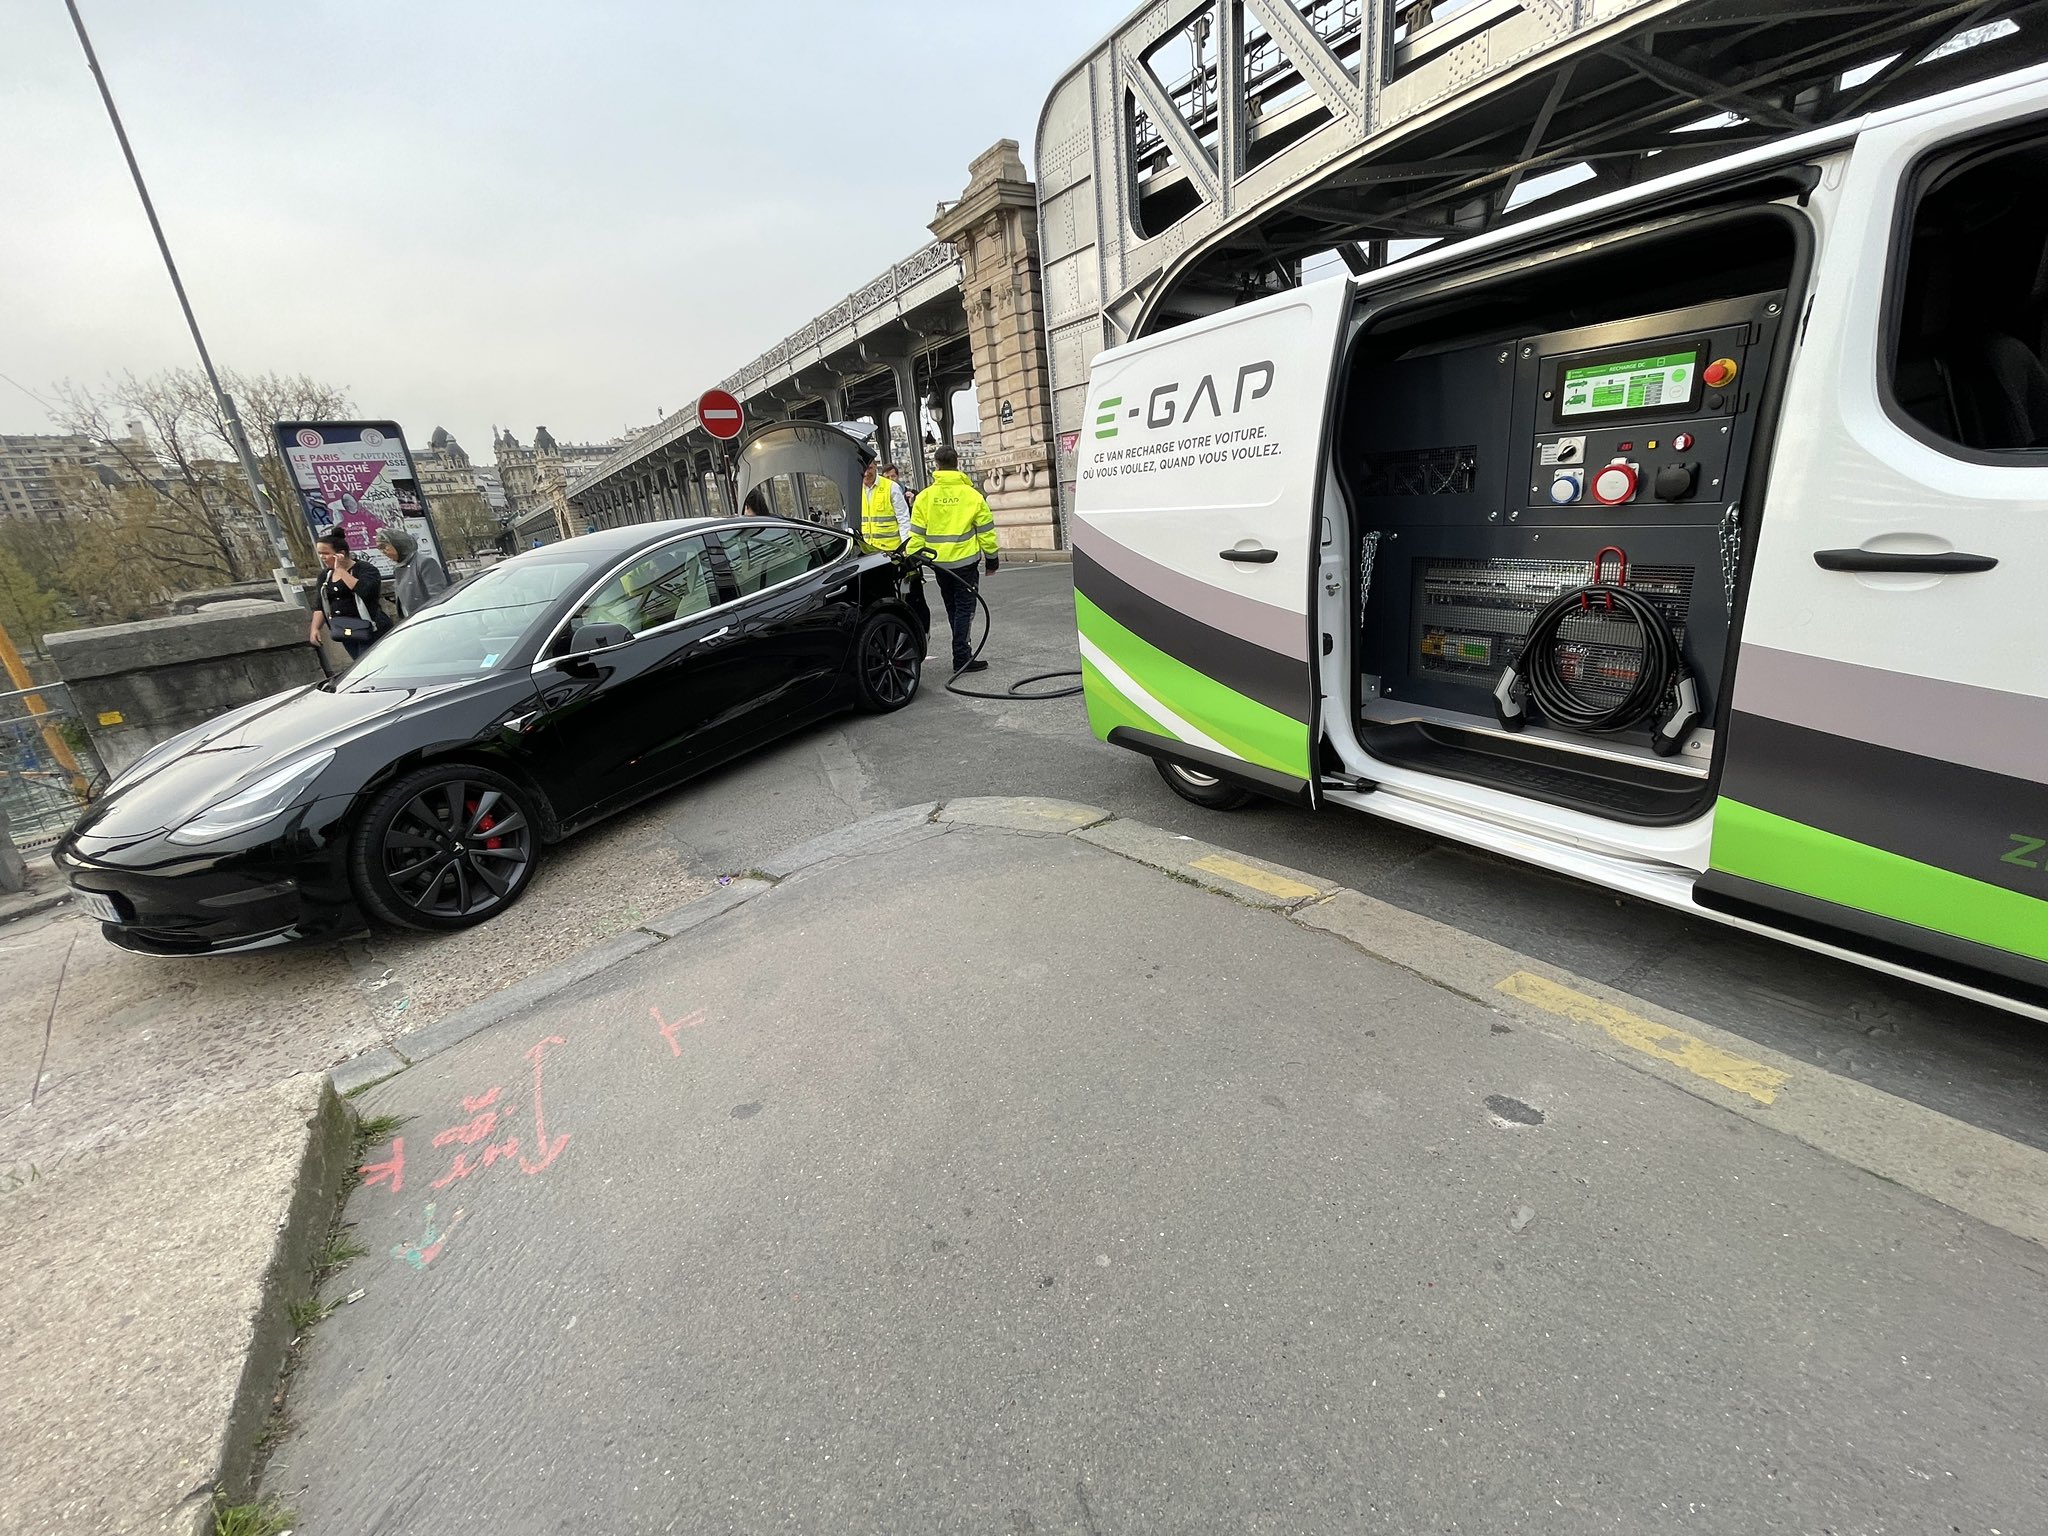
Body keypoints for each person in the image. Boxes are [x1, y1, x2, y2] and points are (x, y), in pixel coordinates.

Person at [906, 446, 998, 673]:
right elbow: (986, 531)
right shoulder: (972, 496)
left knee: (953, 608)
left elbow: (916, 534)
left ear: (935, 466)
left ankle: (962, 653)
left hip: (939, 564)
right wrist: (992, 559)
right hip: (965, 563)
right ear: (957, 464)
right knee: (965, 610)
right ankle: (961, 657)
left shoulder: (925, 497)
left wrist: (911, 559)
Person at [861, 455, 930, 638]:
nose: (867, 473)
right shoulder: (857, 489)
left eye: (870, 468)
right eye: (864, 469)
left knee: (907, 596)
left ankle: (919, 633)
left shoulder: (890, 487)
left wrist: (906, 550)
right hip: (870, 555)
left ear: (875, 466)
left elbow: (903, 520)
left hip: (893, 554)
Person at [308, 525, 393, 662]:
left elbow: (364, 591)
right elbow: (320, 604)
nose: (323, 558)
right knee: (359, 664)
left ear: (341, 553)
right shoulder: (325, 575)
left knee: (371, 663)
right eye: (320, 554)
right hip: (345, 629)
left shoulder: (365, 569)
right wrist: (315, 628)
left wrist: (340, 569)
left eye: (326, 553)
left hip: (370, 627)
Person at [376, 526, 447, 619]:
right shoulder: (398, 568)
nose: (383, 552)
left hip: (427, 618)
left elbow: (438, 596)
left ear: (398, 544)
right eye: (380, 549)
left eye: (384, 547)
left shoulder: (425, 563)